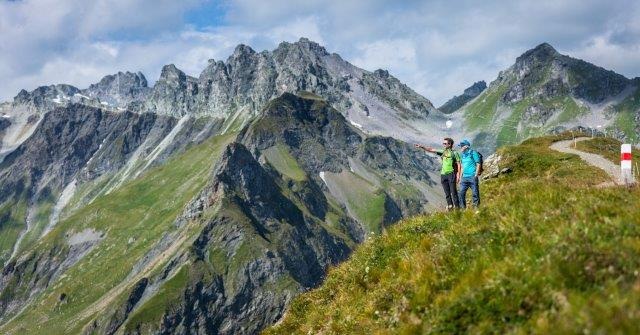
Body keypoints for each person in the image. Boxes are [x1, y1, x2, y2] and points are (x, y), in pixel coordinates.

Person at [415, 138, 461, 211]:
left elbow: (459, 164)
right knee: (447, 193)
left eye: (445, 143)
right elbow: (431, 150)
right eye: (443, 143)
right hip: (443, 175)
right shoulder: (442, 152)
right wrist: (421, 147)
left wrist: (458, 175)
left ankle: (458, 209)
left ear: (450, 144)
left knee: (453, 192)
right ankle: (450, 208)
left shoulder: (455, 153)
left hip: (451, 174)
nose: (443, 145)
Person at [457, 139, 481, 209]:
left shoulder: (473, 153)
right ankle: (463, 208)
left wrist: (476, 175)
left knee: (475, 193)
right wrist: (461, 177)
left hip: (472, 176)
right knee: (461, 193)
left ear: (466, 146)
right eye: (460, 146)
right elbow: (462, 167)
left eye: (462, 146)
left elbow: (478, 164)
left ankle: (476, 208)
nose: (460, 147)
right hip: (464, 178)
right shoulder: (462, 155)